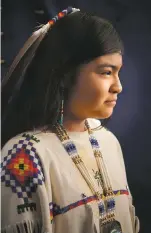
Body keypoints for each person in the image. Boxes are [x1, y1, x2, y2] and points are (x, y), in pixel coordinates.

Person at [1, 7, 139, 233]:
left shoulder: (108, 142)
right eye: (106, 72)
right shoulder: (23, 155)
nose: (118, 86)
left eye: (118, 72)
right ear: (65, 75)